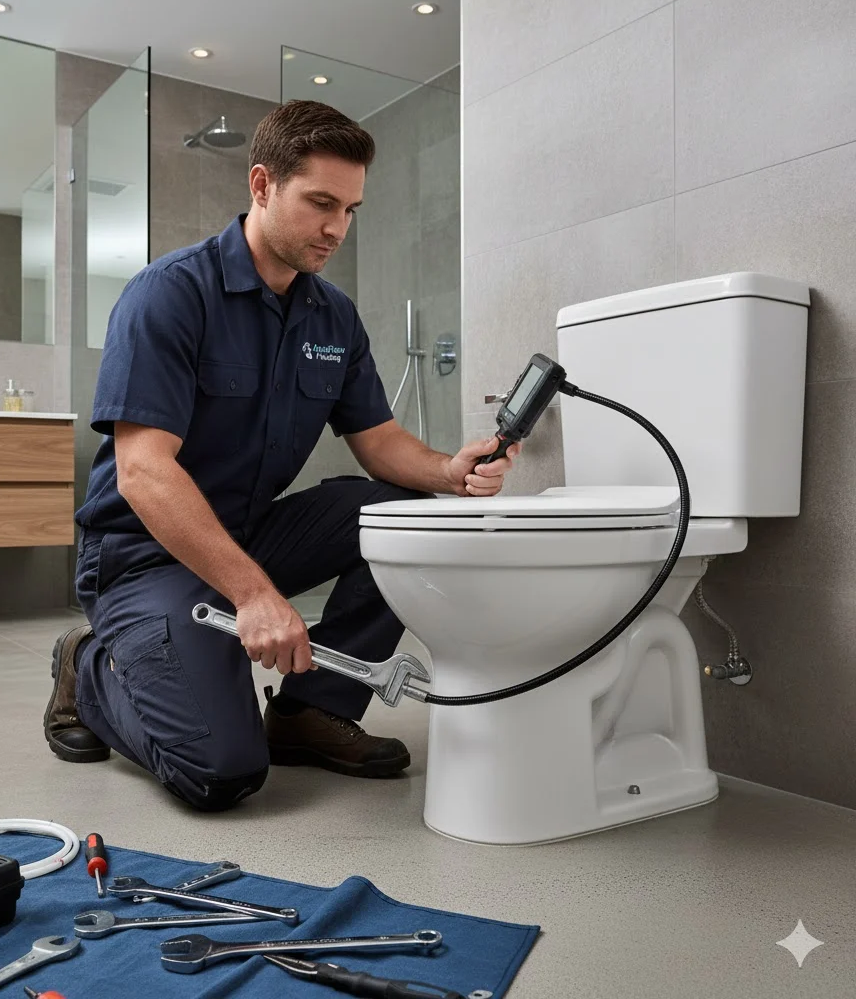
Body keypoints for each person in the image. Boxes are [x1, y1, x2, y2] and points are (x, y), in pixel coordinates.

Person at [43, 99, 519, 811]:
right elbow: (144, 472)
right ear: (262, 185)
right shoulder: (170, 295)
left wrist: (448, 471)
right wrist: (253, 594)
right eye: (321, 203)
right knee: (219, 771)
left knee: (404, 516)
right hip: (143, 556)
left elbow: (380, 442)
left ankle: (307, 712)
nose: (337, 228)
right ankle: (89, 667)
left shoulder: (333, 315)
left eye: (351, 209)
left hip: (247, 532)